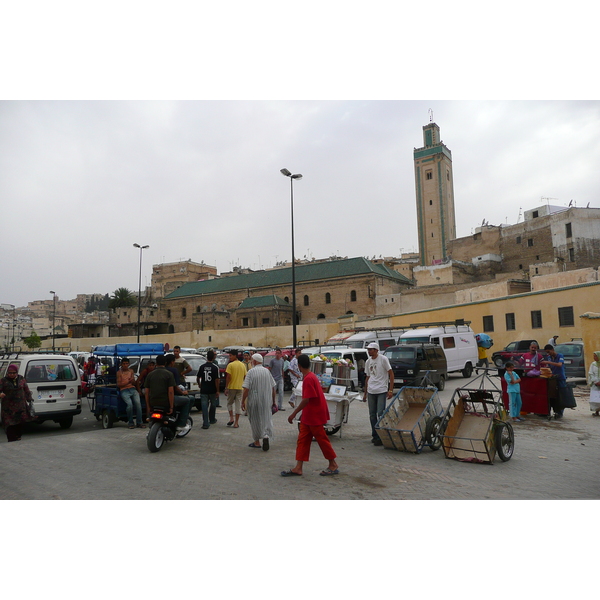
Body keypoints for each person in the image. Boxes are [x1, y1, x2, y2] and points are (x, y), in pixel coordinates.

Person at [281, 353, 339, 477]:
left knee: (321, 440)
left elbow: (306, 399)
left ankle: (333, 464)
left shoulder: (308, 379)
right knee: (303, 440)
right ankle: (298, 467)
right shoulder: (311, 377)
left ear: (299, 366)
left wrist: (294, 414)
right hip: (310, 415)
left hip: (314, 415)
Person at [144, 354, 191, 431]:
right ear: (165, 363)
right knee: (187, 400)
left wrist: (148, 406)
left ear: (156, 363)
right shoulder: (169, 374)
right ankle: (182, 424)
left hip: (153, 402)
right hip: (165, 403)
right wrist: (171, 407)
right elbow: (171, 392)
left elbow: (146, 392)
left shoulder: (150, 374)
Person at [241, 353, 276, 450]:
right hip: (266, 400)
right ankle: (265, 435)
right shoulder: (267, 372)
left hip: (254, 400)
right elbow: (273, 387)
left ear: (255, 361)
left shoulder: (251, 372)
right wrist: (273, 401)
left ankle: (257, 441)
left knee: (255, 420)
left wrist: (243, 401)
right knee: (266, 418)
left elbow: (246, 389)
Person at [363, 342, 394, 446]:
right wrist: (365, 392)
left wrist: (390, 390)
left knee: (380, 413)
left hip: (381, 389)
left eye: (371, 349)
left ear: (376, 350)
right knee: (372, 414)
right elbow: (367, 377)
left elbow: (391, 373)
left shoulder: (383, 359)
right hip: (371, 390)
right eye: (368, 350)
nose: (369, 351)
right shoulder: (368, 361)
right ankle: (375, 435)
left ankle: (382, 435)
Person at [0, 364, 36, 442]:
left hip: (20, 407)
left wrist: (30, 399)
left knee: (20, 425)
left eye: (13, 373)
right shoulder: (3, 380)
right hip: (8, 409)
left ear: (17, 372)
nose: (11, 374)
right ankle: (12, 441)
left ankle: (18, 438)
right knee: (10, 426)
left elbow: (26, 390)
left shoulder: (21, 379)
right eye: (10, 373)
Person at [116, 357, 145, 429]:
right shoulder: (119, 373)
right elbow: (119, 384)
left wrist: (133, 382)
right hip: (124, 390)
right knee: (129, 405)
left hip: (132, 389)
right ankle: (130, 422)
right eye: (124, 364)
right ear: (121, 364)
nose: (125, 365)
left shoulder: (131, 371)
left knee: (138, 404)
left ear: (129, 364)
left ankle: (139, 422)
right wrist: (127, 382)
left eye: (126, 364)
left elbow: (134, 382)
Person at [541, 344, 567, 419]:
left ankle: (560, 412)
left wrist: (548, 363)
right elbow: (549, 367)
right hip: (552, 379)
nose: (548, 354)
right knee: (553, 395)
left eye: (549, 352)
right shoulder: (549, 357)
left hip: (560, 378)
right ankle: (553, 410)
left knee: (560, 395)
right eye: (547, 352)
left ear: (552, 349)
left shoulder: (560, 356)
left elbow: (559, 365)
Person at [196, 350, 220, 429]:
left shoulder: (202, 367)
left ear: (206, 357)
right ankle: (212, 419)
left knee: (204, 406)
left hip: (204, 389)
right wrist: (217, 390)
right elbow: (217, 380)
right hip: (212, 390)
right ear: (213, 357)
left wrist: (200, 385)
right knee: (213, 405)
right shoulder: (215, 367)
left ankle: (205, 423)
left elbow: (198, 377)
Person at [225, 349, 246, 428]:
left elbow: (228, 377)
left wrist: (226, 387)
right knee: (238, 404)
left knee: (229, 403)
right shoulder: (242, 365)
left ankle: (231, 418)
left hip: (231, 387)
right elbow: (245, 376)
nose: (229, 357)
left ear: (235, 356)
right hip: (240, 387)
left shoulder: (230, 365)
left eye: (230, 355)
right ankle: (236, 423)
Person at [587, 350, 600, 417]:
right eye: (594, 356)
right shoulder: (593, 364)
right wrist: (595, 381)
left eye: (596, 356)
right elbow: (591, 373)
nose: (594, 357)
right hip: (595, 383)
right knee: (595, 398)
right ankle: (596, 411)